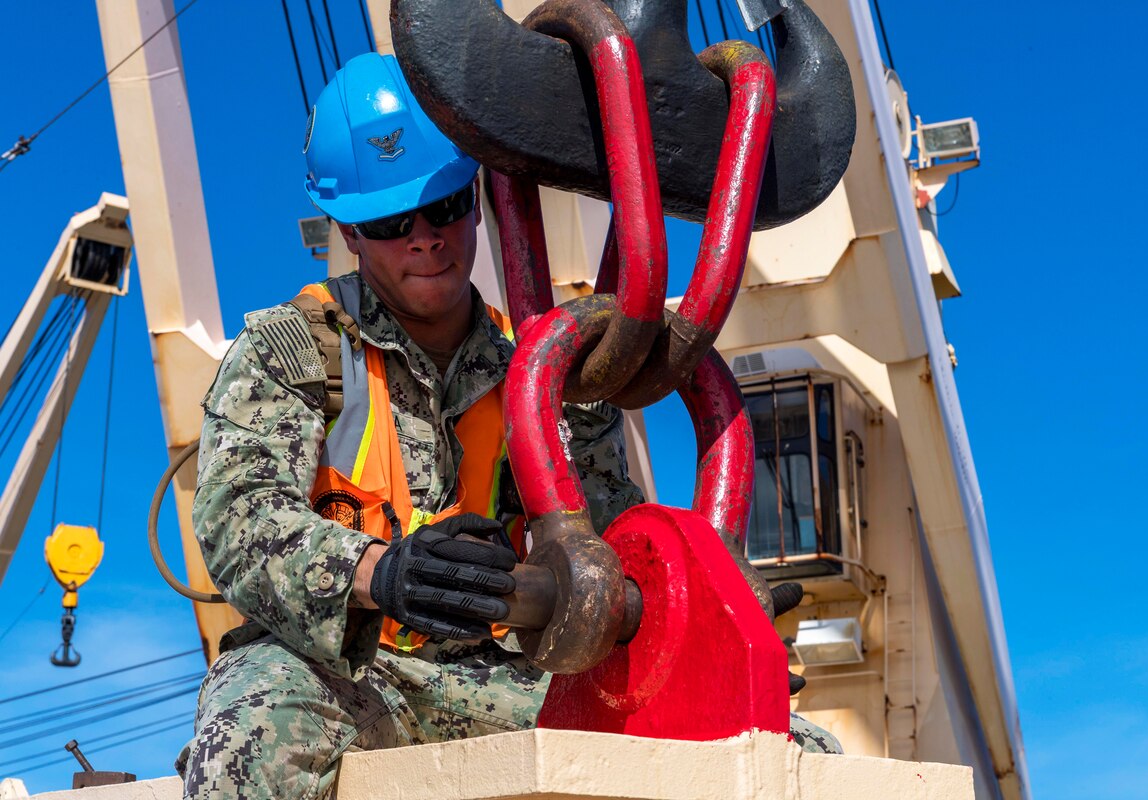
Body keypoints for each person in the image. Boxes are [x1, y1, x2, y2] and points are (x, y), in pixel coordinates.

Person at [176, 52, 838, 800]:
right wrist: (379, 573)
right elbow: (239, 520)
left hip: (504, 678)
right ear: (348, 233)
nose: (426, 237)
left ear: (477, 202)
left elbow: (613, 542)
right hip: (345, 671)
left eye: (446, 206)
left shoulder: (547, 375)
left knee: (796, 748)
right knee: (251, 739)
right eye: (391, 221)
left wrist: (707, 605)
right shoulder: (289, 354)